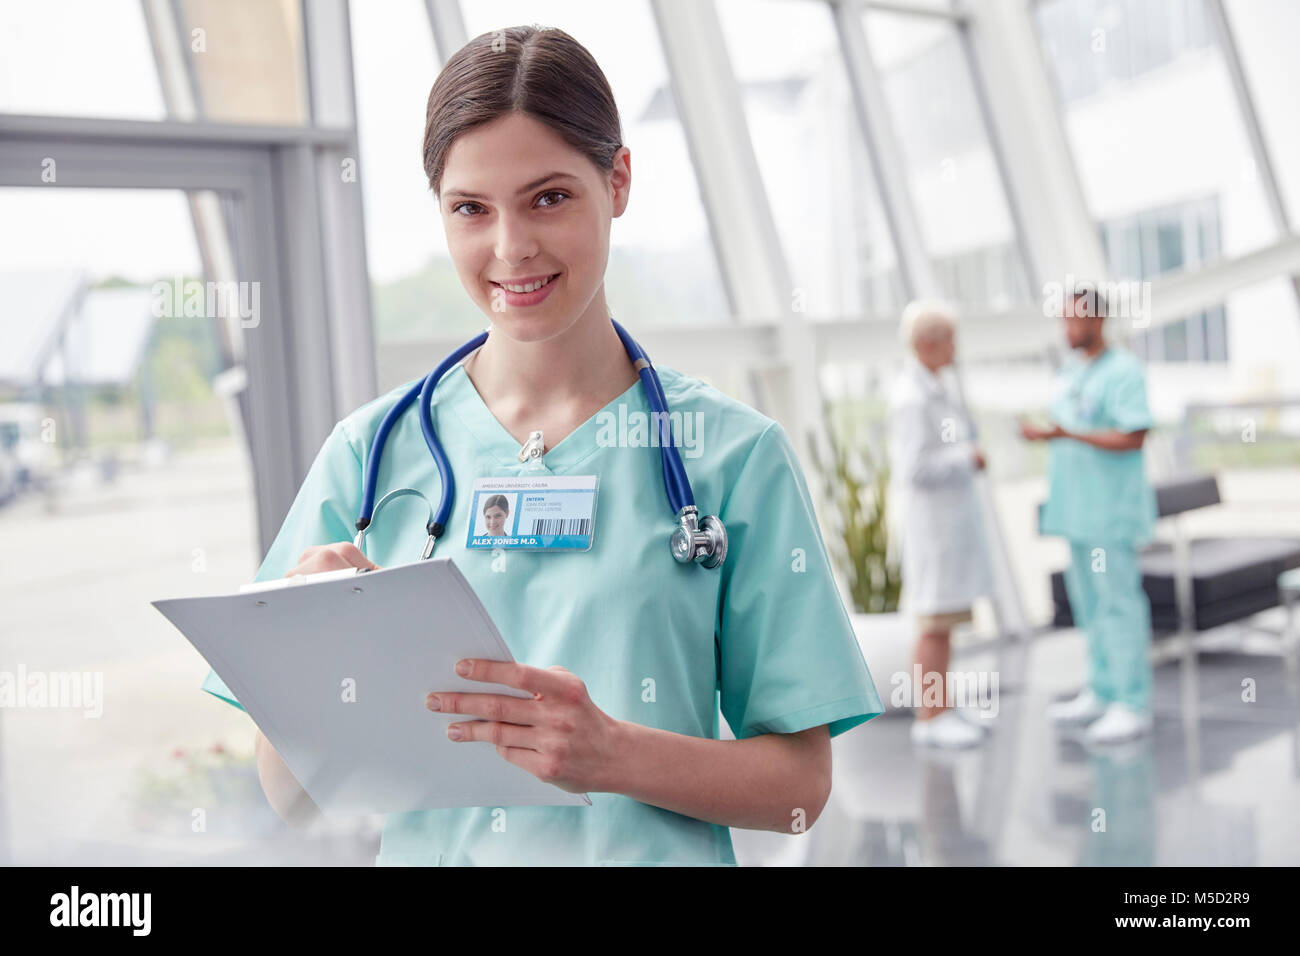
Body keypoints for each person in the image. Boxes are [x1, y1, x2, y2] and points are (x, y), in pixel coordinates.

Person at [199, 25, 882, 866]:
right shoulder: (369, 453)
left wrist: (613, 754)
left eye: (549, 197)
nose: (511, 247)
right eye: (471, 209)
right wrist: (306, 651)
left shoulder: (730, 458)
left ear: (618, 180)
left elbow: (797, 794)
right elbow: (292, 799)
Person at [1020, 283, 1157, 745]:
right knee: (1088, 603)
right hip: (1076, 511)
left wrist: (1071, 435)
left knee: (1118, 603)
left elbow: (1134, 435)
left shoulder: (1124, 371)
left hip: (1110, 513)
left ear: (1099, 319)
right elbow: (1069, 431)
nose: (1068, 327)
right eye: (1063, 319)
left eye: (1075, 319)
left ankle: (1131, 702)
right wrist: (1048, 436)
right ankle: (1101, 690)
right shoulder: (1071, 372)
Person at [887, 301, 993, 749]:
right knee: (933, 625)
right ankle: (929, 717)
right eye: (950, 339)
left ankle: (942, 706)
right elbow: (913, 468)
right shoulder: (912, 398)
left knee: (944, 623)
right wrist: (966, 457)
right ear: (928, 344)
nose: (956, 348)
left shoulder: (935, 388)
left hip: (948, 528)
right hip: (933, 532)